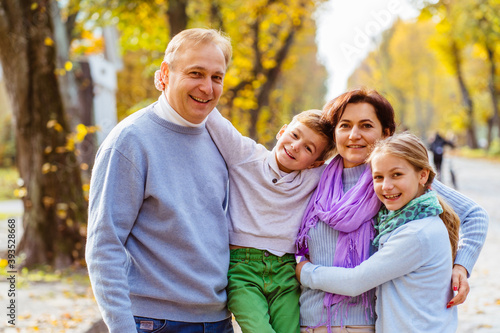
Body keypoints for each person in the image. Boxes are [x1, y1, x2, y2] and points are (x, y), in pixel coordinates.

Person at [295, 88, 488, 333]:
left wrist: (461, 265)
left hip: (363, 322)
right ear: (334, 132)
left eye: (366, 126)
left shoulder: (396, 181)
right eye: (345, 125)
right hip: (308, 320)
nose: (354, 135)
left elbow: (475, 216)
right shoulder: (314, 178)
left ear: (385, 133)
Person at [154, 72, 335, 332]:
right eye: (294, 135)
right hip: (242, 269)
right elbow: (215, 119)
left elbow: (354, 160)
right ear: (282, 131)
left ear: (316, 163)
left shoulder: (314, 178)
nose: (296, 146)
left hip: (285, 271)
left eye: (308, 148)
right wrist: (171, 80)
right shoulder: (246, 157)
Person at [86, 28, 234, 333]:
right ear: (165, 74)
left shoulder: (222, 141)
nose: (207, 87)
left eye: (216, 77)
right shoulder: (130, 142)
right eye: (196, 73)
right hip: (156, 323)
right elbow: (104, 245)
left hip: (218, 320)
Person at [297, 132, 461, 333]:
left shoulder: (416, 233)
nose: (386, 186)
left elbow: (356, 281)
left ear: (423, 175)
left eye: (397, 175)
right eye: (378, 177)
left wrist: (305, 272)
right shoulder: (405, 222)